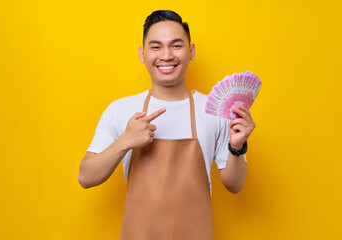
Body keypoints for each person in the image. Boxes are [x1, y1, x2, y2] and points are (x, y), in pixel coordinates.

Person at [78, 10, 255, 239]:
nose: (166, 55)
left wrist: (237, 147)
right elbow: (86, 177)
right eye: (156, 46)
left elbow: (235, 184)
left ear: (191, 51)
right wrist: (124, 142)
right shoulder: (121, 110)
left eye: (176, 45)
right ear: (142, 54)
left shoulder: (213, 110)